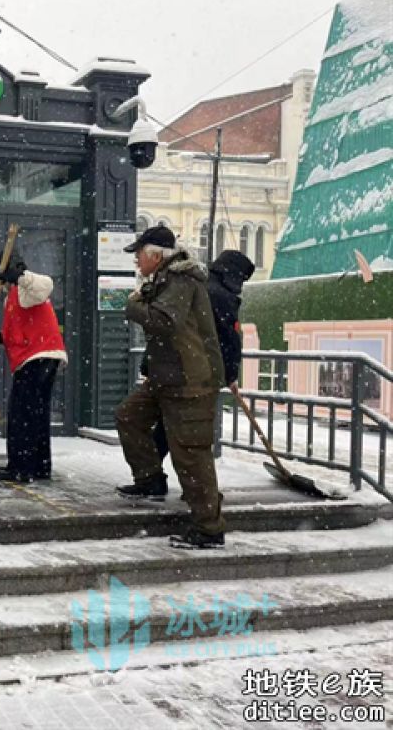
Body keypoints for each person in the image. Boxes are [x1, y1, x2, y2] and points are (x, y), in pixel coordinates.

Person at [114, 227, 226, 549]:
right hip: (167, 377)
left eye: (139, 254)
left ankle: (208, 528)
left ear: (154, 255)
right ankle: (150, 480)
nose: (136, 260)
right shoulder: (164, 279)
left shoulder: (180, 280)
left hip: (189, 381)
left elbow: (166, 322)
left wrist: (133, 306)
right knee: (129, 416)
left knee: (190, 453)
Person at [151, 249, 256, 461]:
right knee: (191, 432)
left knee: (168, 423)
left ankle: (151, 475)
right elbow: (229, 339)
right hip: (201, 372)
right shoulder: (224, 297)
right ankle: (196, 490)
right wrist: (230, 374)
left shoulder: (199, 285)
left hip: (176, 366)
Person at [0, 251, 67, 484]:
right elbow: (15, 333)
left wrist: (21, 275)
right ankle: (39, 465)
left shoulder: (25, 289)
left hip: (38, 357)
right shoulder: (12, 299)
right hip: (42, 356)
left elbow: (45, 285)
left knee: (21, 414)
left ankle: (21, 467)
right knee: (37, 413)